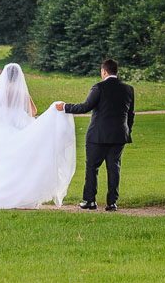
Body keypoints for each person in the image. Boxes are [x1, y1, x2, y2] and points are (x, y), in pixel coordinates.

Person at [0, 62, 76, 208]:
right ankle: (17, 195)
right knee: (18, 163)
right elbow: (34, 111)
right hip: (17, 129)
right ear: (20, 77)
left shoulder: (0, 92)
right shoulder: (22, 93)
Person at [55, 57, 134, 211]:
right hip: (119, 135)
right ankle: (112, 203)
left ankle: (90, 201)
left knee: (92, 167)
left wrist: (65, 107)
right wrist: (126, 131)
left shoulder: (99, 88)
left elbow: (85, 107)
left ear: (104, 72)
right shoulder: (128, 89)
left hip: (98, 135)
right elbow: (131, 115)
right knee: (114, 168)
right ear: (116, 72)